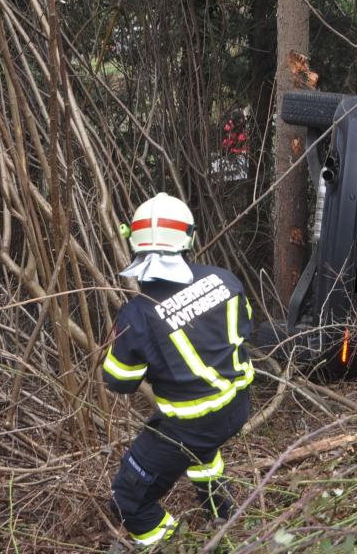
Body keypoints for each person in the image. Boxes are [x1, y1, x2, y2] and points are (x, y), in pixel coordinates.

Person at [104, 193, 254, 547]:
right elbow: (244, 327)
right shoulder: (224, 280)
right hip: (237, 406)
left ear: (134, 243)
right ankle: (223, 517)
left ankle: (172, 546)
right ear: (189, 238)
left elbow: (120, 381)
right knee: (204, 453)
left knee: (127, 502)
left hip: (191, 425)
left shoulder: (137, 315)